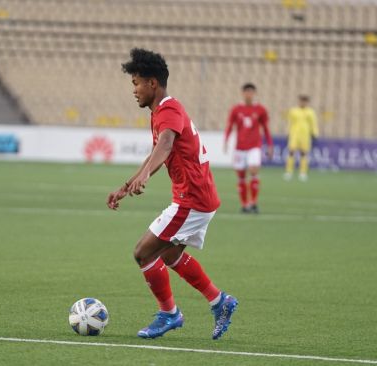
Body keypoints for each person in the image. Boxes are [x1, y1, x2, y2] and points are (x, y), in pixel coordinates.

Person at [106, 48, 237, 340]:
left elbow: (165, 145)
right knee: (169, 254)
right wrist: (127, 186)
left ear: (153, 83)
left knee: (143, 253)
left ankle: (169, 314)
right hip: (198, 197)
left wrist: (144, 177)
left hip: (192, 199)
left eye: (136, 83)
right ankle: (220, 301)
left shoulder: (168, 109)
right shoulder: (163, 111)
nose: (134, 90)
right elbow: (158, 151)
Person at [224, 83, 272, 214]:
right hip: (240, 147)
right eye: (246, 92)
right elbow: (230, 125)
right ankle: (244, 204)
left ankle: (254, 202)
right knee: (241, 176)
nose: (249, 95)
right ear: (243, 93)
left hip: (254, 146)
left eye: (251, 92)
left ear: (254, 94)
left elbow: (266, 129)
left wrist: (270, 144)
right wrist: (226, 140)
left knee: (254, 170)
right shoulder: (236, 109)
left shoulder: (261, 110)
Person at [284, 95, 319, 181]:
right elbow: (290, 122)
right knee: (291, 152)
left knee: (304, 154)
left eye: (305, 101)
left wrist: (315, 133)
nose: (303, 103)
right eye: (301, 101)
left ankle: (303, 172)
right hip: (294, 135)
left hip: (305, 136)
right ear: (299, 101)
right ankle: (289, 171)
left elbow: (313, 124)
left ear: (307, 102)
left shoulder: (311, 112)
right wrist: (287, 132)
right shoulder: (293, 111)